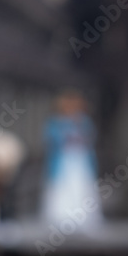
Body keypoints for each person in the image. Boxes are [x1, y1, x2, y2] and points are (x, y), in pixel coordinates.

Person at [40, 90, 102, 230]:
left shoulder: (84, 122)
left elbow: (90, 138)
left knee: (81, 187)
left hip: (80, 163)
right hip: (63, 163)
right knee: (62, 189)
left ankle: (83, 219)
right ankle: (61, 218)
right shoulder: (55, 123)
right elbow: (51, 139)